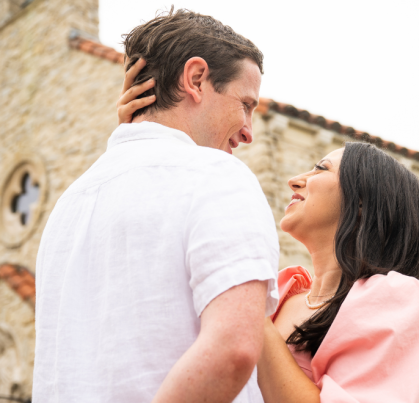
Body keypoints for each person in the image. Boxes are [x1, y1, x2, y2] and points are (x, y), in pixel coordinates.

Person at [120, 78, 419, 400]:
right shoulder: (280, 292)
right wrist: (143, 139)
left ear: (362, 202)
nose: (295, 180)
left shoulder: (399, 299)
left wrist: (244, 304)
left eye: (320, 169)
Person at [33, 9, 279, 403]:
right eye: (245, 104)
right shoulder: (217, 175)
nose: (248, 131)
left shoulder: (69, 204)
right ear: (196, 79)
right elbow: (233, 350)